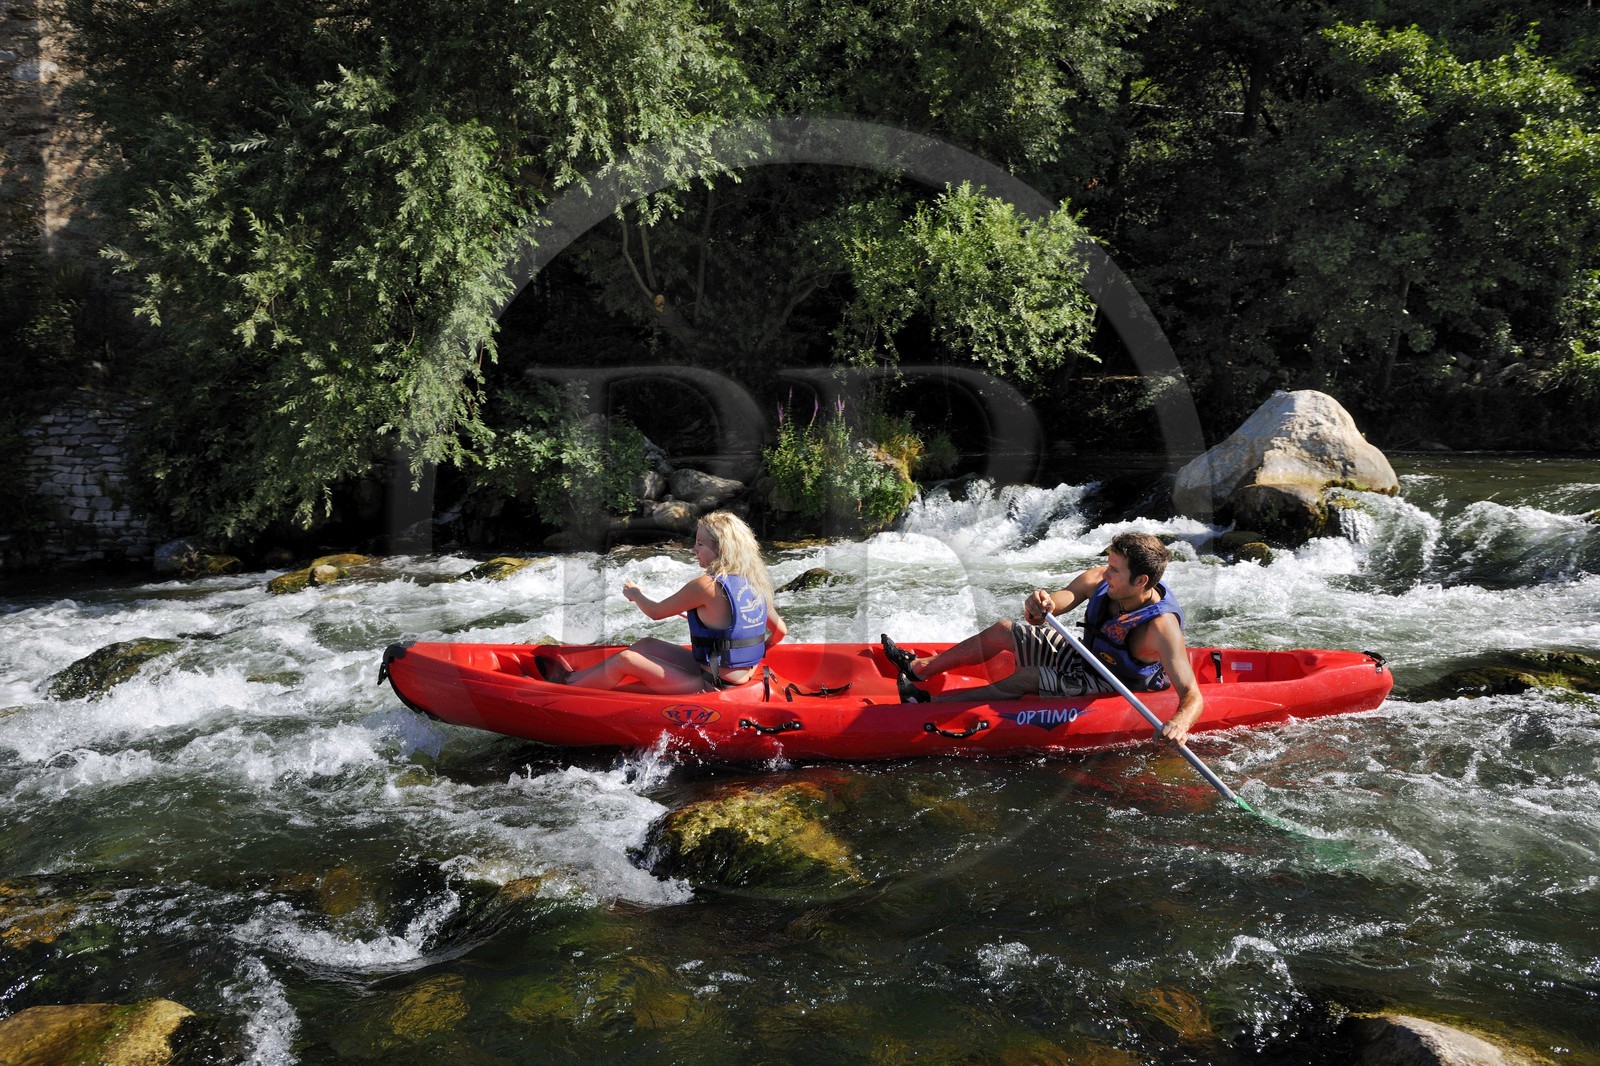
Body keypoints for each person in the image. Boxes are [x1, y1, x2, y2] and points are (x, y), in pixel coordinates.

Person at [881, 531, 1204, 743]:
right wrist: (1044, 604)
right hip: (1086, 656)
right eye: (1108, 564)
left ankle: (929, 705)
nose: (1105, 573)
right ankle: (919, 669)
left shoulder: (1161, 628)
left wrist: (1178, 723)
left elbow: (1191, 694)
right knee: (1004, 630)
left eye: (1115, 570)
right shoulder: (1100, 578)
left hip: (1114, 683)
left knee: (1029, 677)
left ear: (1141, 580)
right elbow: (1064, 598)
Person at [541, 511, 787, 693]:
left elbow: (655, 613)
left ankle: (565, 688)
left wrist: (636, 594)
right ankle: (577, 677)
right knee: (646, 645)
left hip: (712, 683)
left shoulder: (706, 585)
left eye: (700, 544)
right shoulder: (753, 582)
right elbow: (780, 631)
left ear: (721, 550)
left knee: (626, 660)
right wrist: (747, 657)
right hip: (737, 673)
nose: (694, 550)